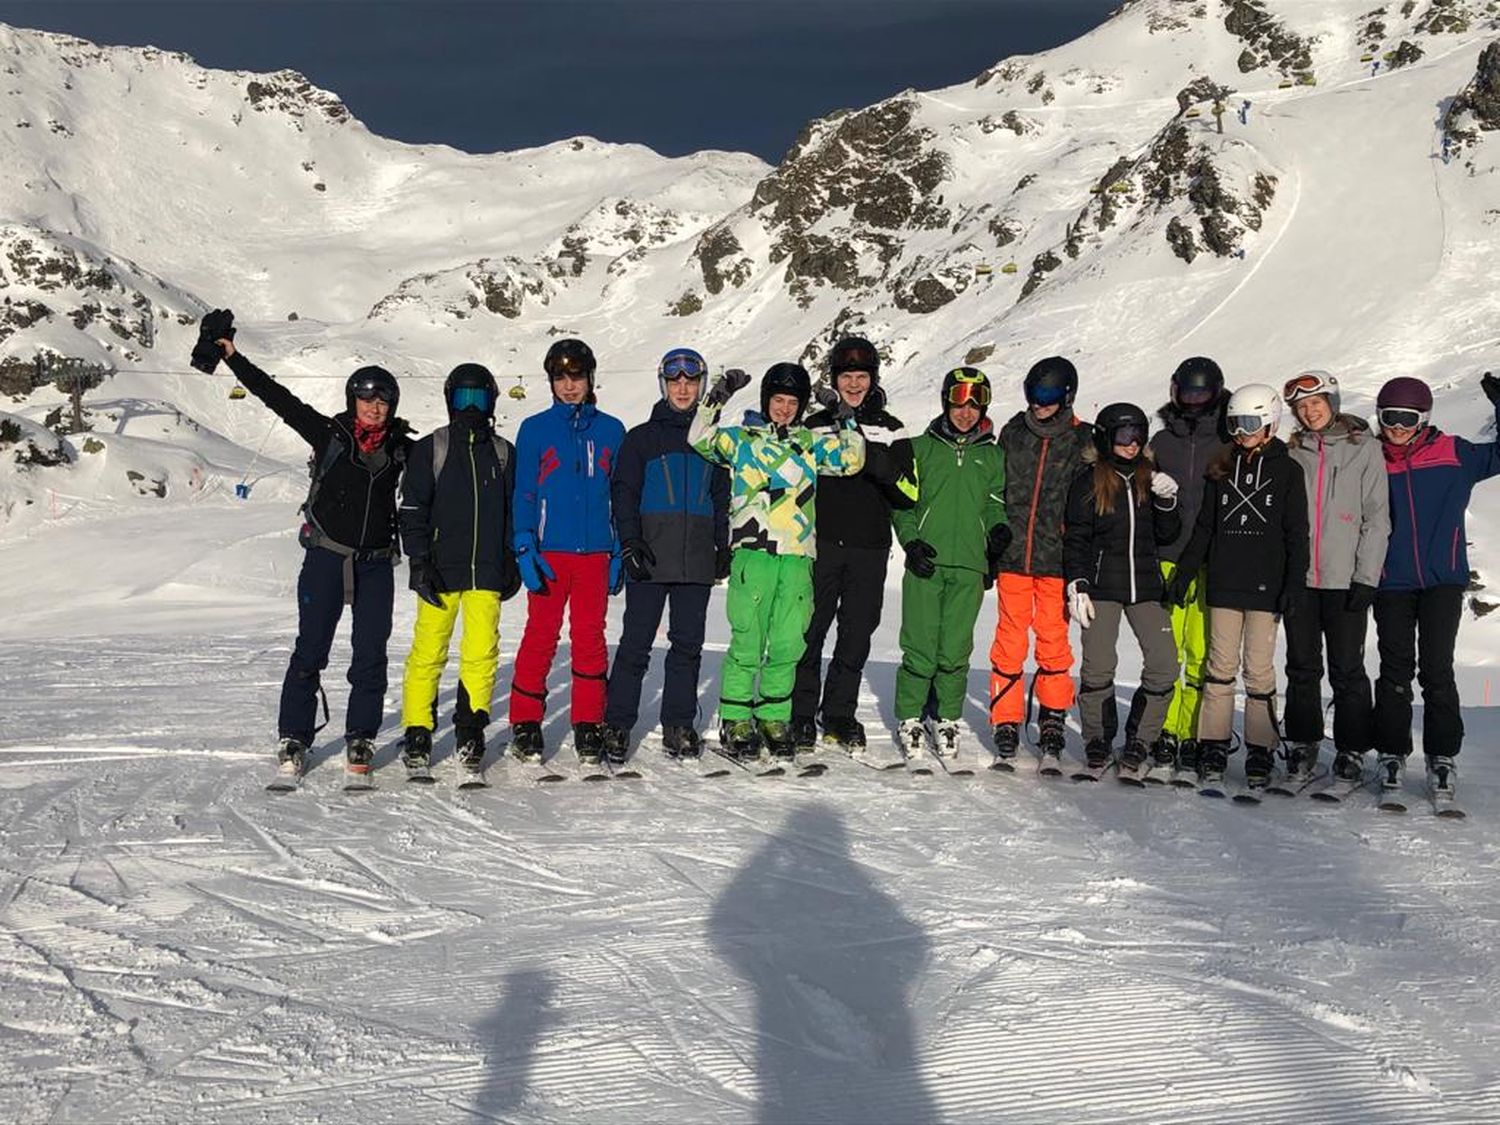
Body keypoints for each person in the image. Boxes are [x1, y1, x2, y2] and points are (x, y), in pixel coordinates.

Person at [218, 331, 410, 779]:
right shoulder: (329, 435)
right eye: (366, 399)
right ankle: (294, 736)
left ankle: (361, 735)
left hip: (376, 564)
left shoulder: (403, 448)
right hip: (326, 558)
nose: (375, 407)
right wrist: (233, 357)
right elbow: (277, 398)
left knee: (371, 654)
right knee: (311, 650)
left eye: (383, 400)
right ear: (352, 400)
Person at [690, 362, 865, 760]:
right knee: (748, 639)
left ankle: (773, 716)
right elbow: (698, 438)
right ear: (766, 400)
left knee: (788, 642)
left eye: (792, 402)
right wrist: (717, 396)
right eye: (778, 400)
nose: (784, 409)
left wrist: (843, 415)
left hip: (797, 557)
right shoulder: (741, 440)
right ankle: (736, 718)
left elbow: (853, 459)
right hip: (754, 553)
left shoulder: (810, 443)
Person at [1166, 384, 1308, 789]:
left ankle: (1261, 748)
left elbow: (1297, 533)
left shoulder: (1288, 471)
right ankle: (1213, 743)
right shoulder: (1222, 467)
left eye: (1248, 424)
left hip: (1266, 586)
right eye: (1234, 425)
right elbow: (1205, 527)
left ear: (1269, 423)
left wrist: (1294, 584)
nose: (1241, 433)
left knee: (1258, 670)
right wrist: (1185, 572)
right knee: (1219, 667)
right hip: (1225, 583)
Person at [1369, 373, 1500, 797]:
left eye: (1407, 418)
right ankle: (1391, 752)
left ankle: (1442, 756)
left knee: (1437, 669)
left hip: (1442, 580)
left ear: (1423, 418)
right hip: (1391, 581)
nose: (1397, 427)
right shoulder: (1372, 460)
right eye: (1389, 417)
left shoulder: (1454, 453)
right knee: (1394, 671)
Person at [602, 348, 730, 761]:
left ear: (701, 387)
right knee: (636, 644)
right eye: (675, 381)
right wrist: (629, 541)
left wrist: (722, 545)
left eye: (691, 382)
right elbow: (623, 493)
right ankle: (617, 724)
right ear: (664, 385)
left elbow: (722, 497)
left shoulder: (712, 442)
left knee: (687, 646)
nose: (683, 388)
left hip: (696, 559)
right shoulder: (641, 439)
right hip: (650, 558)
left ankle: (678, 724)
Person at [791, 336, 915, 754]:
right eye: (847, 376)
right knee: (810, 630)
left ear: (873, 378)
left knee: (856, 634)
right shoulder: (814, 426)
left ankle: (839, 713)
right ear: (834, 379)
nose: (854, 384)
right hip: (821, 544)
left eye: (862, 376)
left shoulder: (892, 428)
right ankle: (801, 712)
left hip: (869, 548)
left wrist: (879, 464)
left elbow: (910, 493)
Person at [397, 363, 518, 776]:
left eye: (478, 398)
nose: (471, 407)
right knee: (428, 651)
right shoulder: (432, 448)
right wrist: (418, 561)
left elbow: (513, 511)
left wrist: (510, 558)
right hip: (440, 570)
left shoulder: (503, 452)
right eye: (464, 398)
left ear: (491, 402)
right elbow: (413, 510)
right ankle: (418, 729)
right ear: (450, 401)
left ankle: (471, 728)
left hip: (486, 571)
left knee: (481, 652)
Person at [508, 339, 626, 764]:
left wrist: (618, 550)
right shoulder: (535, 429)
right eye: (561, 378)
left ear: (590, 379)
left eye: (576, 377)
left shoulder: (612, 430)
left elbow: (620, 496)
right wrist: (524, 542)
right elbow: (524, 491)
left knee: (590, 638)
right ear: (551, 382)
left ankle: (588, 722)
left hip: (595, 553)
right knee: (540, 636)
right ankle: (525, 722)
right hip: (550, 553)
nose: (569, 385)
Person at [892, 367, 1008, 759]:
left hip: (970, 566)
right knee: (920, 644)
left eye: (976, 403)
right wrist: (911, 542)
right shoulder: (920, 449)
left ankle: (946, 717)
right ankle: (910, 717)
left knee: (956, 649)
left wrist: (999, 531)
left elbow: (995, 504)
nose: (966, 411)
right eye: (958, 401)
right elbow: (903, 506)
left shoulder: (993, 456)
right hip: (927, 561)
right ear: (946, 401)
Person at [1280, 370, 1389, 785]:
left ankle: (1352, 747)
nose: (1309, 412)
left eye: (1316, 403)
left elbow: (1377, 517)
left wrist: (1366, 577)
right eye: (1301, 407)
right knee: (1301, 666)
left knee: (1347, 669)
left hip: (1346, 580)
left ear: (1333, 403)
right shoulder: (1293, 452)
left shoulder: (1365, 449)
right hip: (1302, 580)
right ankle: (1303, 742)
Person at [1064, 404, 1181, 775]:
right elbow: (1077, 537)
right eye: (1124, 435)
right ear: (1105, 437)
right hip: (1101, 586)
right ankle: (1097, 739)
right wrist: (1078, 583)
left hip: (1145, 586)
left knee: (1164, 665)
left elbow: (1167, 535)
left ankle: (1141, 740)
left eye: (1139, 435)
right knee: (1098, 666)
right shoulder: (1089, 480)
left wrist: (1167, 502)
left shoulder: (1150, 476)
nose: (1133, 444)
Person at [988, 356, 1094, 765]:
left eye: (1048, 395)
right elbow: (995, 488)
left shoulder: (1084, 439)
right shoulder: (1014, 432)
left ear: (1067, 396)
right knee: (1009, 640)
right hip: (1014, 556)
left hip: (1057, 560)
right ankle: (1006, 718)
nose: (1039, 403)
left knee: (1053, 642)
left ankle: (1052, 717)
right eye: (1033, 393)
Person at [1148, 357, 1229, 776]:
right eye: (1187, 393)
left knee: (1202, 653)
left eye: (1203, 394)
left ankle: (1193, 732)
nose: (1194, 402)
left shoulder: (1229, 439)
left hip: (1214, 561)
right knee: (1167, 653)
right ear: (1175, 392)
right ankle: (1164, 730)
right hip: (1169, 558)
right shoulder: (1161, 443)